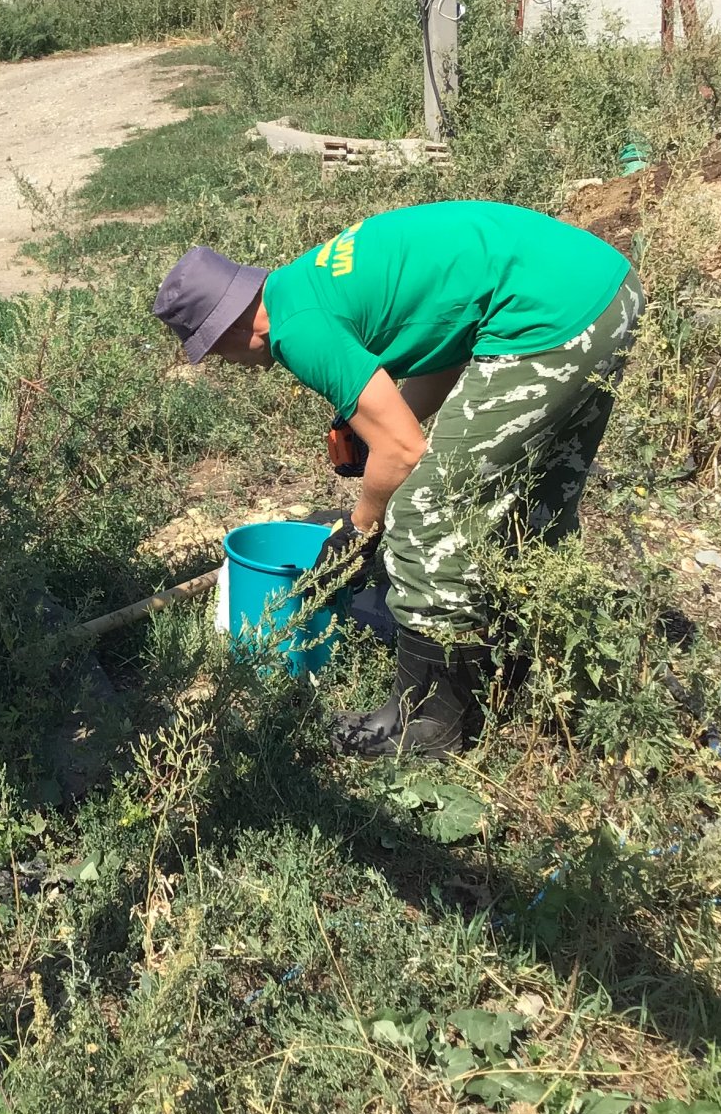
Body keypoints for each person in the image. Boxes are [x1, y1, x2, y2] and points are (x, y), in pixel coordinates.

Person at [153, 201, 643, 758]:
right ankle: (519, 672)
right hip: (600, 285)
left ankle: (428, 722)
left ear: (231, 328)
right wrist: (384, 421)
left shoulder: (296, 328)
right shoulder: (304, 284)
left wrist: (360, 529)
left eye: (215, 353)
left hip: (548, 321)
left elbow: (405, 450)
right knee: (534, 505)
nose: (226, 364)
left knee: (423, 513)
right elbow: (449, 348)